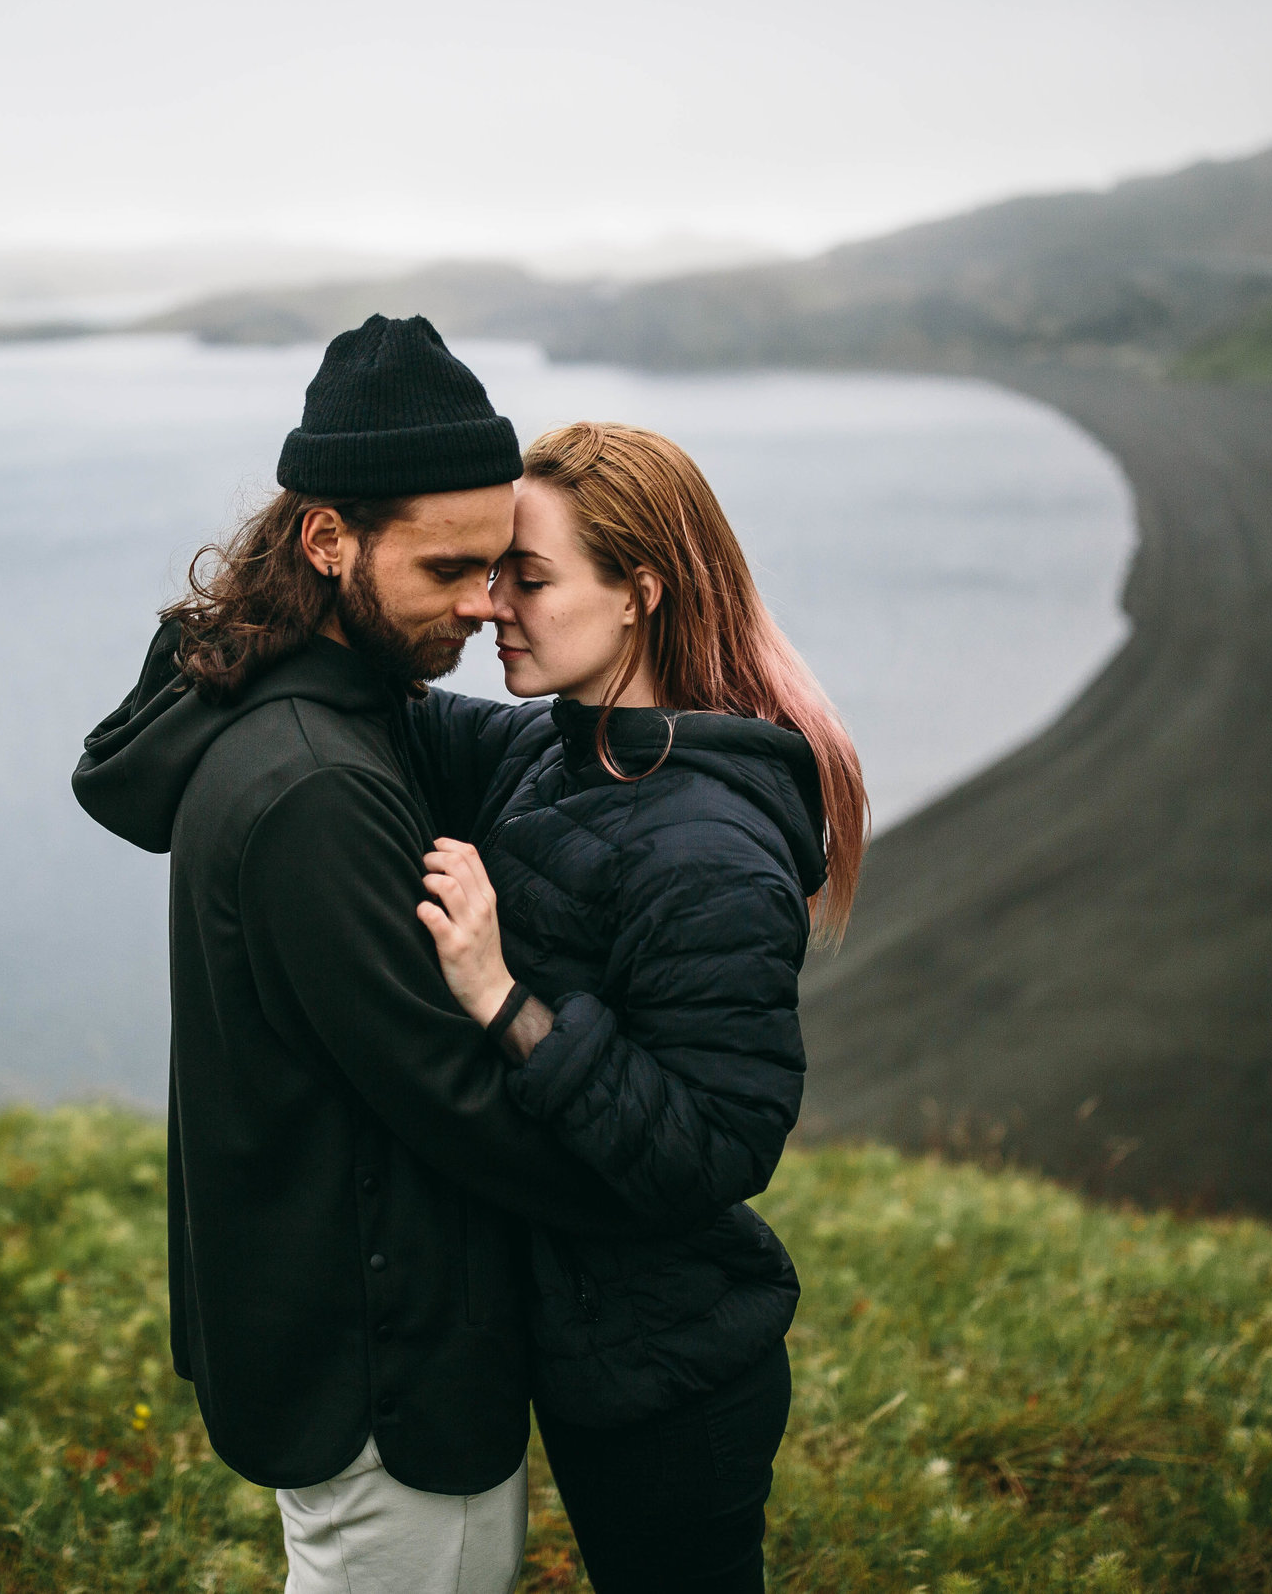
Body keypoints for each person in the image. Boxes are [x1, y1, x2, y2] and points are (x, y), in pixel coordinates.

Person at [71, 316, 639, 1594]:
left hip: (341, 1323)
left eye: (500, 565)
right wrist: (650, 1168)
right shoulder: (314, 784)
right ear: (327, 538)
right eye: (449, 568)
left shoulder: (313, 710)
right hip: (384, 1361)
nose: (484, 602)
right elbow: (451, 1094)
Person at [400, 421, 869, 1594]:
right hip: (596, 1340)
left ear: (637, 595)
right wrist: (265, 604)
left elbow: (717, 1144)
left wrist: (502, 997)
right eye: (490, 570)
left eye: (530, 576)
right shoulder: (562, 749)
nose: (491, 604)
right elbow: (376, 712)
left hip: (678, 1372)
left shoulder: (707, 848)